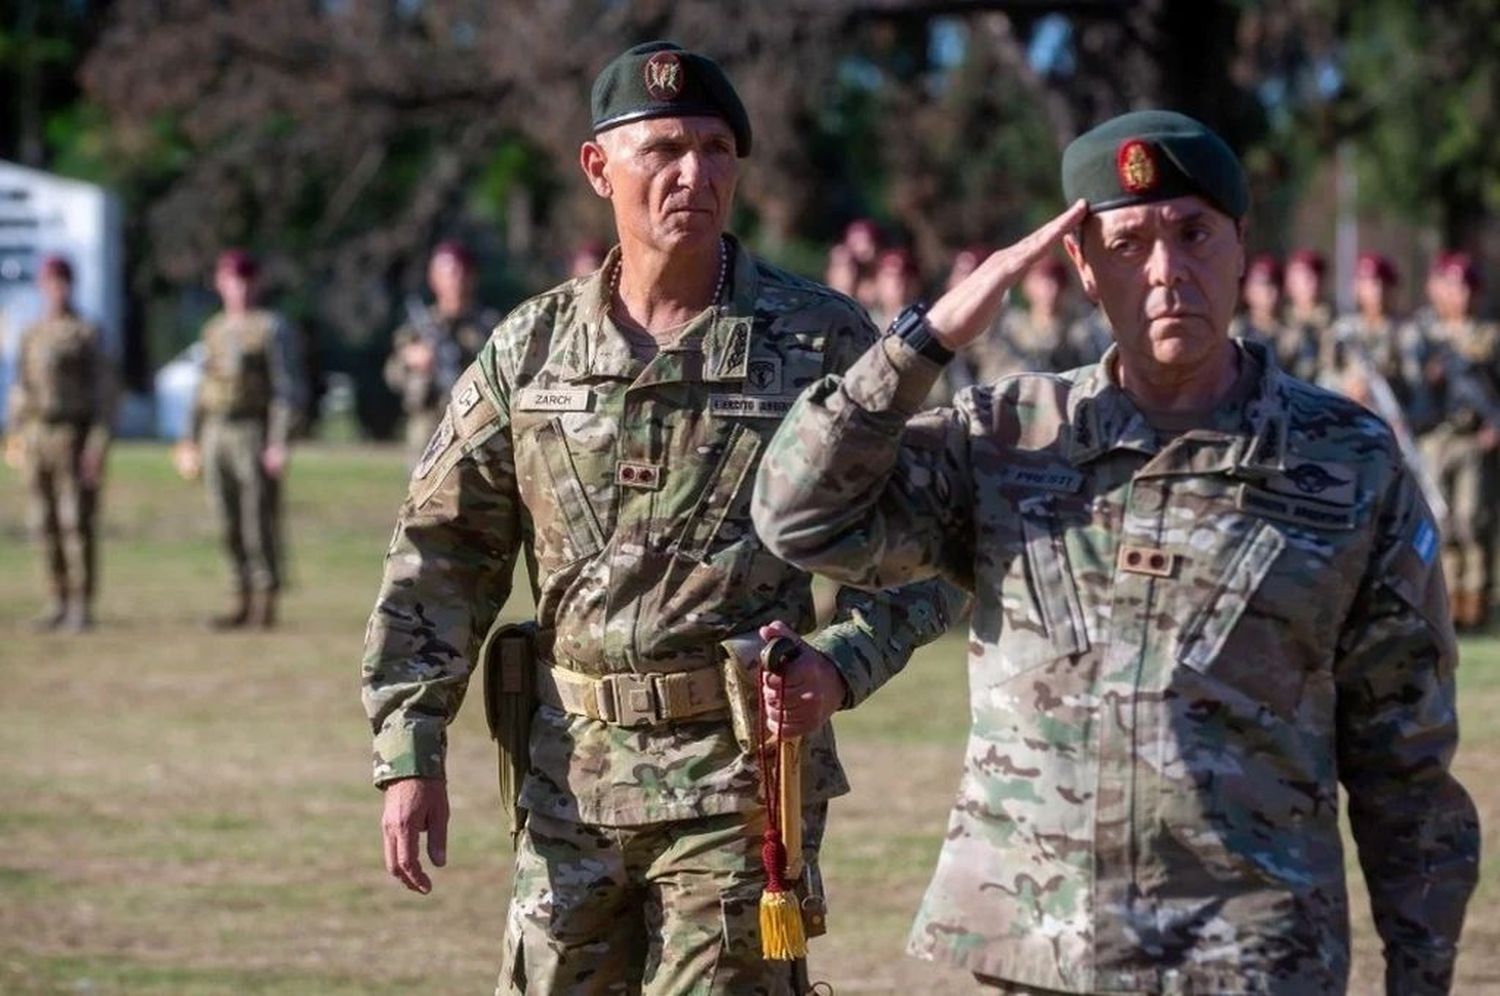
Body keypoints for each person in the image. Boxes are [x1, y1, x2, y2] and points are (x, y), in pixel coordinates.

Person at [752, 110, 1478, 995]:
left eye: (1193, 233)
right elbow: (797, 517)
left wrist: (1423, 973)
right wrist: (925, 341)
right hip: (1043, 951)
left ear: (1241, 247)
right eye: (1128, 243)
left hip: (1252, 959)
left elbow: (1405, 765)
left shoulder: (1345, 460)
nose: (1167, 270)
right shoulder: (1007, 439)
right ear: (1086, 271)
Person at [360, 41, 958, 995]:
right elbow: (442, 555)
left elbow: (934, 551)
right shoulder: (531, 351)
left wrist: (836, 667)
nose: (697, 174)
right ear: (599, 167)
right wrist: (409, 750)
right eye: (666, 149)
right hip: (567, 786)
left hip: (738, 784)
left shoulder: (821, 343)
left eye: (719, 149)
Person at [174, 250, 305, 629]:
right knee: (225, 516)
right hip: (217, 429)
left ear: (257, 282)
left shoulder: (270, 327)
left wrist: (278, 441)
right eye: (232, 279)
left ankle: (265, 600)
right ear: (220, 282)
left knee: (257, 518)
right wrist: (189, 438)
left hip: (253, 430)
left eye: (245, 279)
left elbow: (286, 390)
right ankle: (239, 596)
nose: (239, 288)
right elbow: (202, 389)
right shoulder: (213, 329)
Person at [3, 256, 114, 631]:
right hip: (37, 435)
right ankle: (57, 599)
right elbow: (21, 385)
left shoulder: (85, 332)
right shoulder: (32, 333)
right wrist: (14, 432)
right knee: (42, 522)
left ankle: (81, 605)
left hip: (73, 435)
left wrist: (96, 444)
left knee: (75, 523)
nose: (56, 289)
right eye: (50, 281)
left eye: (62, 281)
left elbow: (104, 395)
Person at [1403, 251, 1500, 630]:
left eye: (1464, 287)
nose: (1457, 295)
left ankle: (1477, 604)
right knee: (1439, 522)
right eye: (1450, 286)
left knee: (1472, 520)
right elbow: (1413, 391)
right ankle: (1446, 603)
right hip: (1435, 439)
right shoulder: (1426, 336)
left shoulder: (1489, 337)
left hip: (1474, 439)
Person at [384, 241, 498, 463]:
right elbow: (392, 373)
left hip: (479, 429)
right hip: (428, 433)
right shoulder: (419, 327)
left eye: (462, 273)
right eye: (448, 273)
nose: (456, 281)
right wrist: (411, 359)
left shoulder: (489, 326)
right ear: (433, 278)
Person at [966, 255, 1084, 383]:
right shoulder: (1009, 327)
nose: (1051, 290)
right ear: (1027, 286)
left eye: (1057, 281)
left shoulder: (1078, 330)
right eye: (1042, 282)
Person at [1279, 248, 1331, 381]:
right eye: (1304, 278)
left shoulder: (1334, 322)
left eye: (1315, 276)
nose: (1311, 284)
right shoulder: (1279, 322)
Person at [1228, 252, 1284, 354]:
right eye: (1261, 285)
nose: (1269, 292)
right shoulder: (1235, 331)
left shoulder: (1290, 335)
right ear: (1247, 289)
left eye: (1274, 285)